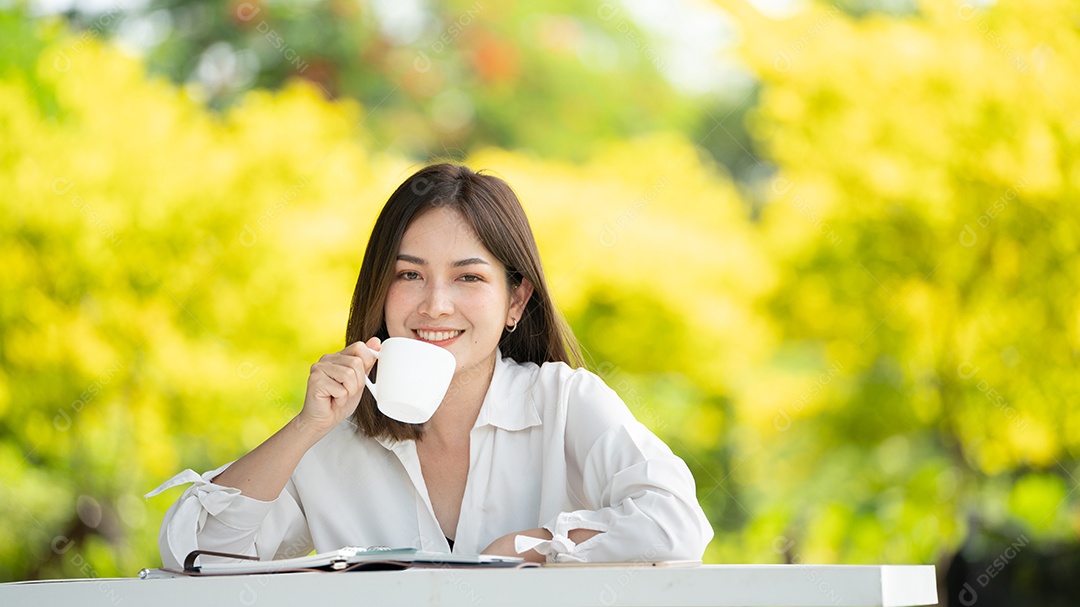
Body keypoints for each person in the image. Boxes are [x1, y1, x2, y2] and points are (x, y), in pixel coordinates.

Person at [147, 163, 713, 568]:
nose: (435, 304)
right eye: (409, 274)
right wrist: (306, 428)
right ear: (380, 289)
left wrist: (532, 544)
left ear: (515, 301)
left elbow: (676, 521)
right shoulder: (332, 438)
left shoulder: (564, 402)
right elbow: (195, 550)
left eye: (469, 277)